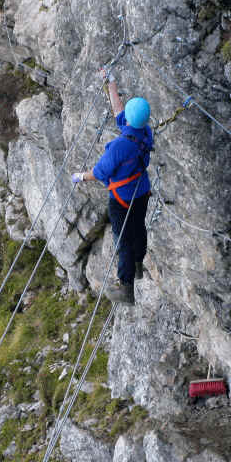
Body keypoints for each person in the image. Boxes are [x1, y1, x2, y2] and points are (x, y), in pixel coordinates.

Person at [72, 70, 153, 305]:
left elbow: (99, 173)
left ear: (129, 119)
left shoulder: (119, 146)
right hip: (142, 192)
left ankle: (126, 287)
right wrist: (111, 83)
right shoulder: (144, 133)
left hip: (122, 199)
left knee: (123, 239)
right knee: (138, 228)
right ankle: (138, 264)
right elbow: (120, 112)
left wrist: (79, 176)